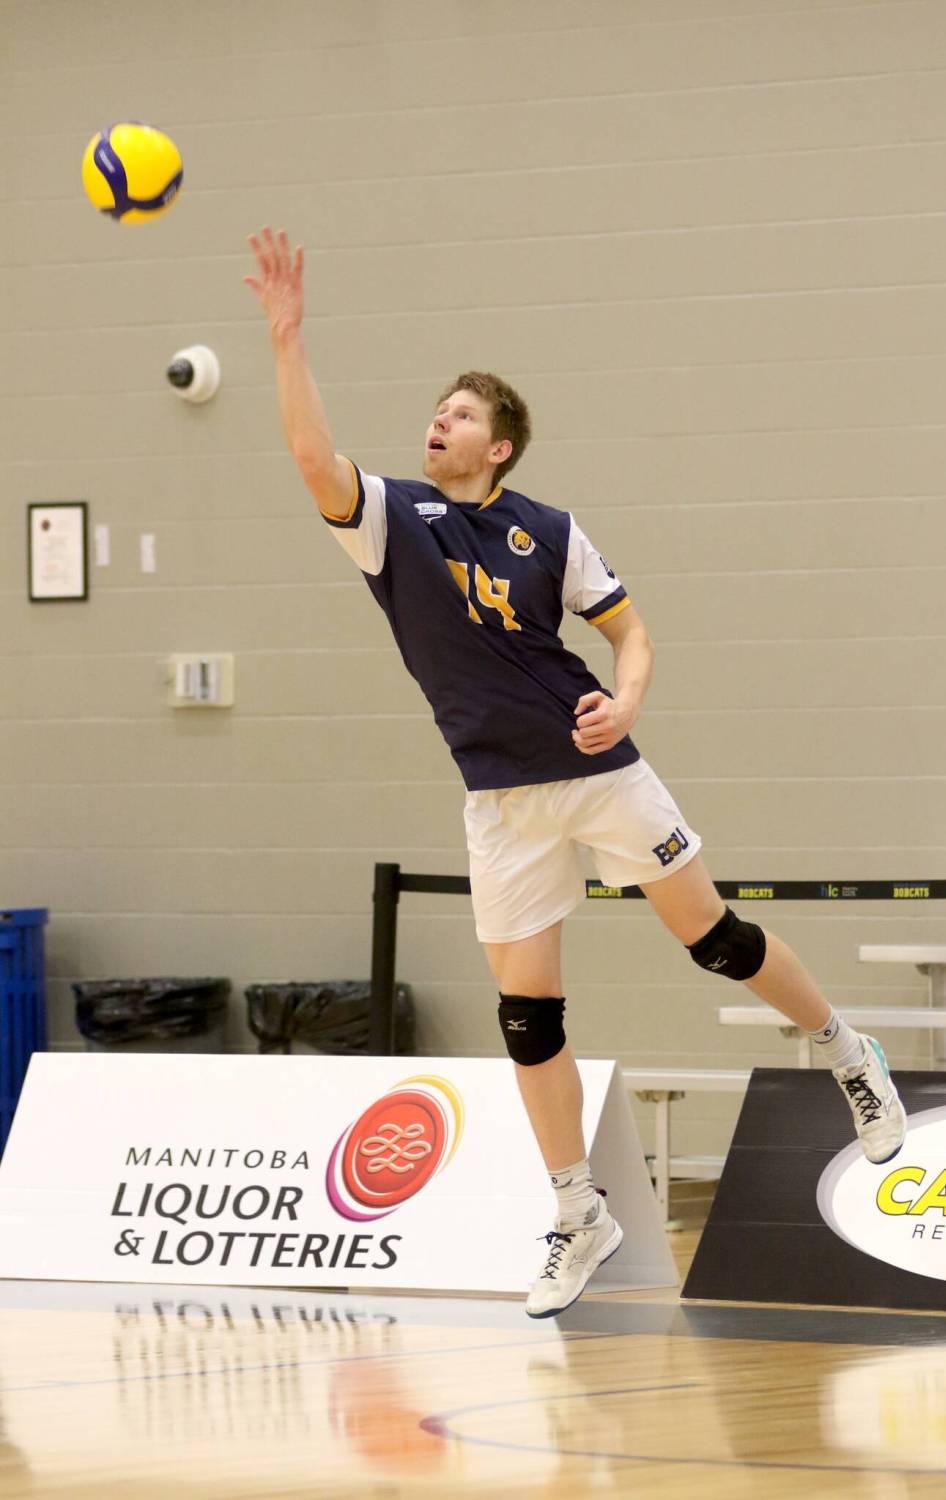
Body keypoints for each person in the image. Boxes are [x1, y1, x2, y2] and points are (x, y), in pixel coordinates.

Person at [245, 226, 907, 1318]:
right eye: (436, 412)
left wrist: (626, 699)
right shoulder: (392, 523)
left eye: (460, 416)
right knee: (528, 1018)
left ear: (499, 446)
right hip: (499, 800)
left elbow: (633, 635)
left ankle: (847, 1053)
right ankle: (574, 1211)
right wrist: (284, 341)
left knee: (714, 942)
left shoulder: (549, 533)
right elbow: (315, 459)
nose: (437, 424)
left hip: (598, 774)